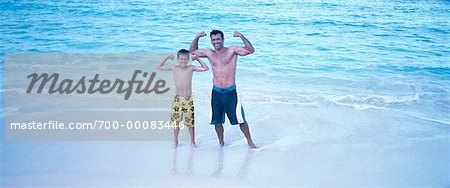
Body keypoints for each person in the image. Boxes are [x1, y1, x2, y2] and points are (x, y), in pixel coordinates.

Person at [189, 30, 257, 148]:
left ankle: (250, 142)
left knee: (240, 119)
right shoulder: (209, 53)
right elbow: (192, 51)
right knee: (217, 120)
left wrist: (241, 36)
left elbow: (250, 50)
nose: (216, 42)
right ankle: (221, 143)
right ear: (211, 41)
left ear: (223, 39)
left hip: (230, 91)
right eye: (213, 40)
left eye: (218, 39)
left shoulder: (232, 51)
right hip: (216, 92)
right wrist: (197, 37)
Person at [157, 49, 209, 148]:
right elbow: (158, 66)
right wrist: (167, 57)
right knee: (176, 122)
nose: (183, 61)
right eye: (181, 59)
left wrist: (197, 59)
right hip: (177, 99)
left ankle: (192, 142)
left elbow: (205, 68)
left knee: (190, 123)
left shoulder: (191, 68)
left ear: (188, 59)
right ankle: (175, 141)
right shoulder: (174, 68)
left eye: (185, 59)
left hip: (188, 99)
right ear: (178, 59)